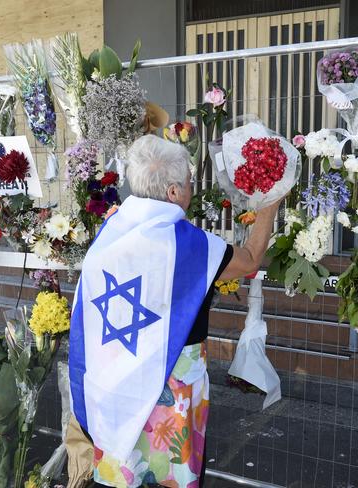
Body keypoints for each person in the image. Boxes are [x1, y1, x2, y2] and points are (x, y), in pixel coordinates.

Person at [68, 134, 280, 488]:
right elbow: (249, 260)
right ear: (172, 192)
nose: (191, 189)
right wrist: (269, 205)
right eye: (188, 183)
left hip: (113, 374)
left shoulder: (110, 231)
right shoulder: (187, 243)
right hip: (172, 383)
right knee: (170, 474)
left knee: (124, 472)